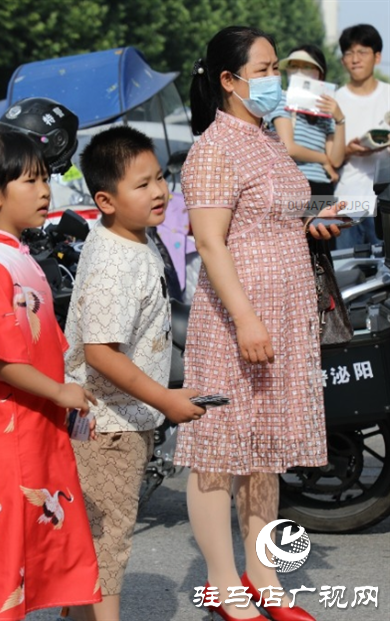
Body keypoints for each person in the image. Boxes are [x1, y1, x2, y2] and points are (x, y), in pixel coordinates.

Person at [175, 26, 342, 621]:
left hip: (285, 319)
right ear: (229, 80)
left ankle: (263, 578)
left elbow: (268, 219)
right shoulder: (214, 147)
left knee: (265, 452)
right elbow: (212, 243)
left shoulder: (269, 139)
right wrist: (246, 318)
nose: (278, 80)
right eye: (267, 69)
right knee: (218, 451)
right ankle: (224, 587)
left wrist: (312, 222)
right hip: (234, 321)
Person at [0, 131, 102, 621]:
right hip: (11, 438)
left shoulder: (14, 254)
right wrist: (60, 390)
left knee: (53, 546)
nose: (44, 191)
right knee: (5, 564)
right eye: (30, 181)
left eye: (46, 179)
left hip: (37, 431)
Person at [62, 125, 205, 621]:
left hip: (117, 420)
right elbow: (101, 353)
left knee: (97, 535)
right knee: (109, 539)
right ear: (105, 199)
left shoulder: (128, 241)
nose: (160, 190)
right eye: (142, 185)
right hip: (109, 427)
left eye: (160, 177)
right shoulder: (116, 261)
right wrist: (165, 400)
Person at [334, 24, 389, 248]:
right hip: (348, 201)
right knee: (347, 274)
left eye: (362, 52)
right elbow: (331, 159)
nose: (355, 59)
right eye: (349, 53)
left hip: (386, 201)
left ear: (377, 57)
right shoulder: (334, 100)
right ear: (343, 60)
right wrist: (348, 150)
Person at [268, 45, 346, 203]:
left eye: (306, 66)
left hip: (323, 188)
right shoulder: (283, 99)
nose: (298, 71)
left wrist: (340, 120)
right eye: (293, 66)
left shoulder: (325, 112)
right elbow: (288, 147)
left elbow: (336, 161)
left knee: (321, 228)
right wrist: (323, 159)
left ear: (319, 73)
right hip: (291, 185)